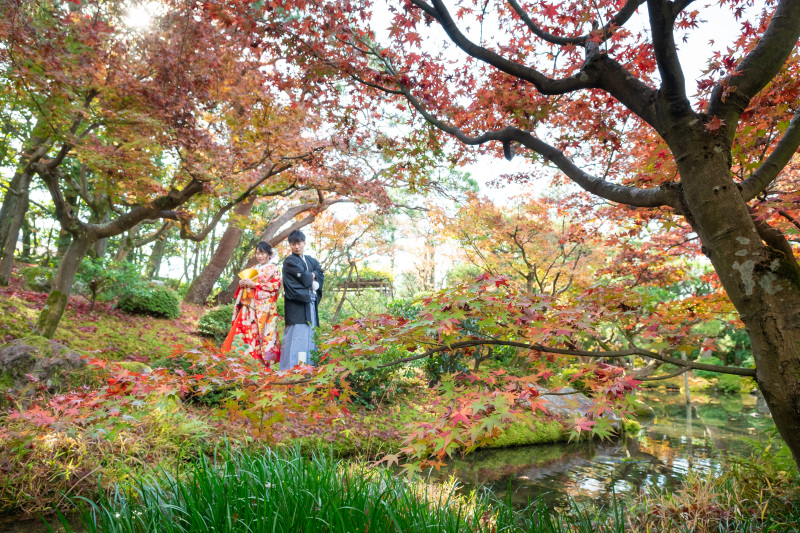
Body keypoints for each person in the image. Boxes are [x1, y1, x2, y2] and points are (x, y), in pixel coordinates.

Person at [221, 242, 281, 364]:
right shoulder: (253, 268)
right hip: (248, 305)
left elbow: (275, 287)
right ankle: (237, 358)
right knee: (242, 329)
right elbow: (245, 287)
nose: (260, 256)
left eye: (262, 253)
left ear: (269, 254)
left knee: (259, 334)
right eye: (257, 253)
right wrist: (241, 285)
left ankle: (258, 362)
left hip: (263, 309)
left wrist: (256, 285)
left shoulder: (273, 268)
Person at [280, 230, 324, 370]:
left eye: (298, 243)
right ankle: (293, 370)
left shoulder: (311, 260)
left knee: (310, 337)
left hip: (310, 305)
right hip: (297, 307)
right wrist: (311, 278)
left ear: (304, 242)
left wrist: (309, 276)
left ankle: (309, 369)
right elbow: (302, 278)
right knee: (297, 338)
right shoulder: (289, 261)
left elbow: (320, 273)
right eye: (292, 244)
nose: (296, 247)